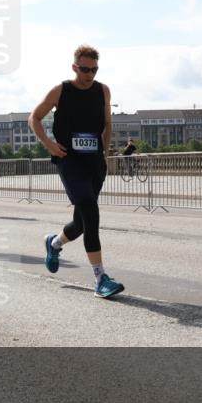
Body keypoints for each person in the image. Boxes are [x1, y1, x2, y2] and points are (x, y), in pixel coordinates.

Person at [29, 44, 125, 298]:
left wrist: (104, 155)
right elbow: (34, 118)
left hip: (94, 162)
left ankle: (54, 243)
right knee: (91, 214)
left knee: (81, 223)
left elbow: (107, 123)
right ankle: (100, 278)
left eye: (94, 69)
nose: (89, 74)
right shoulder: (61, 90)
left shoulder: (103, 90)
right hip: (69, 161)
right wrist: (49, 144)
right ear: (74, 67)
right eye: (84, 69)